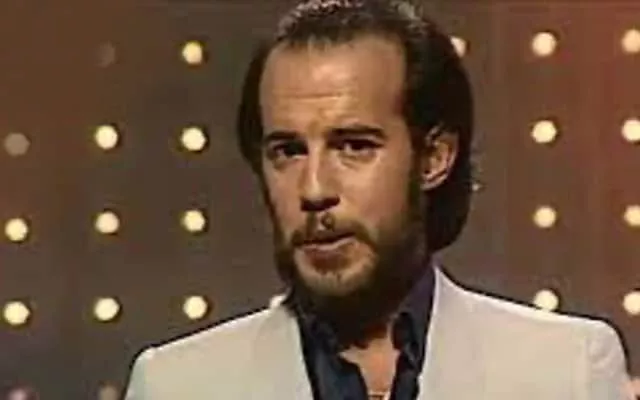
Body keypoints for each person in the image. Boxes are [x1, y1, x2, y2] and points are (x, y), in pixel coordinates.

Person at [124, 0, 629, 399]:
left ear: (433, 157)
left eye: (354, 146)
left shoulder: (567, 372)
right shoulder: (176, 385)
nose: (314, 189)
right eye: (288, 151)